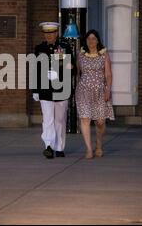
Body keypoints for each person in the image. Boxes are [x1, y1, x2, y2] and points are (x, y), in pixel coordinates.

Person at [32, 22, 73, 159]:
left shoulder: (64, 47)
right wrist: (35, 89)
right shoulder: (39, 48)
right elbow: (35, 70)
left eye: (51, 33)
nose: (49, 35)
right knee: (48, 119)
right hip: (44, 88)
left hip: (61, 87)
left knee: (60, 120)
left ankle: (59, 147)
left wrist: (60, 72)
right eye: (46, 33)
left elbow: (70, 67)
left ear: (56, 33)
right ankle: (48, 146)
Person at [75, 29, 114, 159]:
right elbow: (78, 73)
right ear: (85, 41)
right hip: (83, 90)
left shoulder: (104, 55)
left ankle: (98, 144)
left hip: (100, 91)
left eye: (93, 38)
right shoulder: (80, 55)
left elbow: (108, 74)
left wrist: (108, 90)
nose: (91, 41)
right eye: (88, 39)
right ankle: (89, 149)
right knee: (85, 118)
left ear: (98, 40)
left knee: (100, 122)